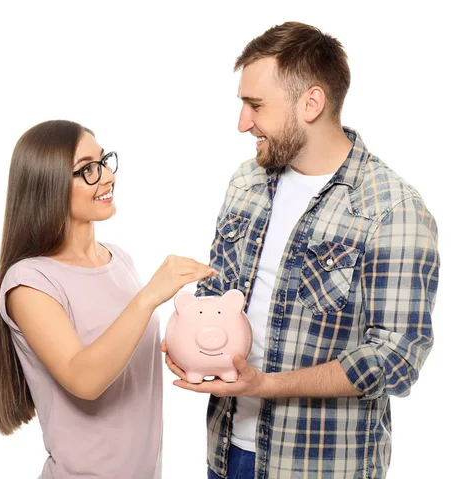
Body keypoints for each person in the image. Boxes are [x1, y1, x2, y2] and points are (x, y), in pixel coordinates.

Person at [165, 22, 440, 478]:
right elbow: (224, 300)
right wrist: (190, 343)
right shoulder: (245, 182)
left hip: (317, 466)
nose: (242, 123)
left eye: (255, 105)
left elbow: (398, 358)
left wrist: (268, 386)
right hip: (225, 452)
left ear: (311, 103)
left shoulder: (391, 209)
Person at [0, 120, 216, 478]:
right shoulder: (29, 281)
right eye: (88, 170)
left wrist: (192, 346)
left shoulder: (118, 258)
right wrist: (148, 298)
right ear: (48, 184)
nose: (108, 176)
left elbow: (124, 351)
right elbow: (85, 379)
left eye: (104, 161)